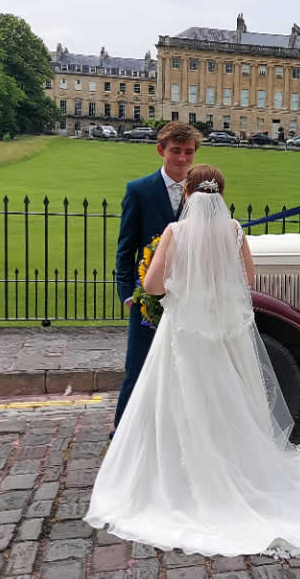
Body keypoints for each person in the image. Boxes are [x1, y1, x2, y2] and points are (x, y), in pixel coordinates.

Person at [86, 165, 300, 563]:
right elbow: (246, 279)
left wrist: (166, 278)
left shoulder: (175, 233)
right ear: (220, 193)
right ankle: (237, 466)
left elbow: (153, 287)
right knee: (227, 394)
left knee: (179, 394)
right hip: (221, 328)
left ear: (189, 196)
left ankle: (175, 474)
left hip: (184, 330)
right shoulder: (233, 230)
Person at [112, 121, 201, 438]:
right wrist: (127, 294)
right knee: (138, 368)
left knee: (186, 368)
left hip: (190, 297)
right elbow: (125, 250)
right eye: (175, 151)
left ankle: (177, 432)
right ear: (161, 150)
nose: (181, 159)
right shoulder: (139, 190)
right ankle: (123, 432)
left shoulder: (202, 193)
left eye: (188, 152)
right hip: (148, 296)